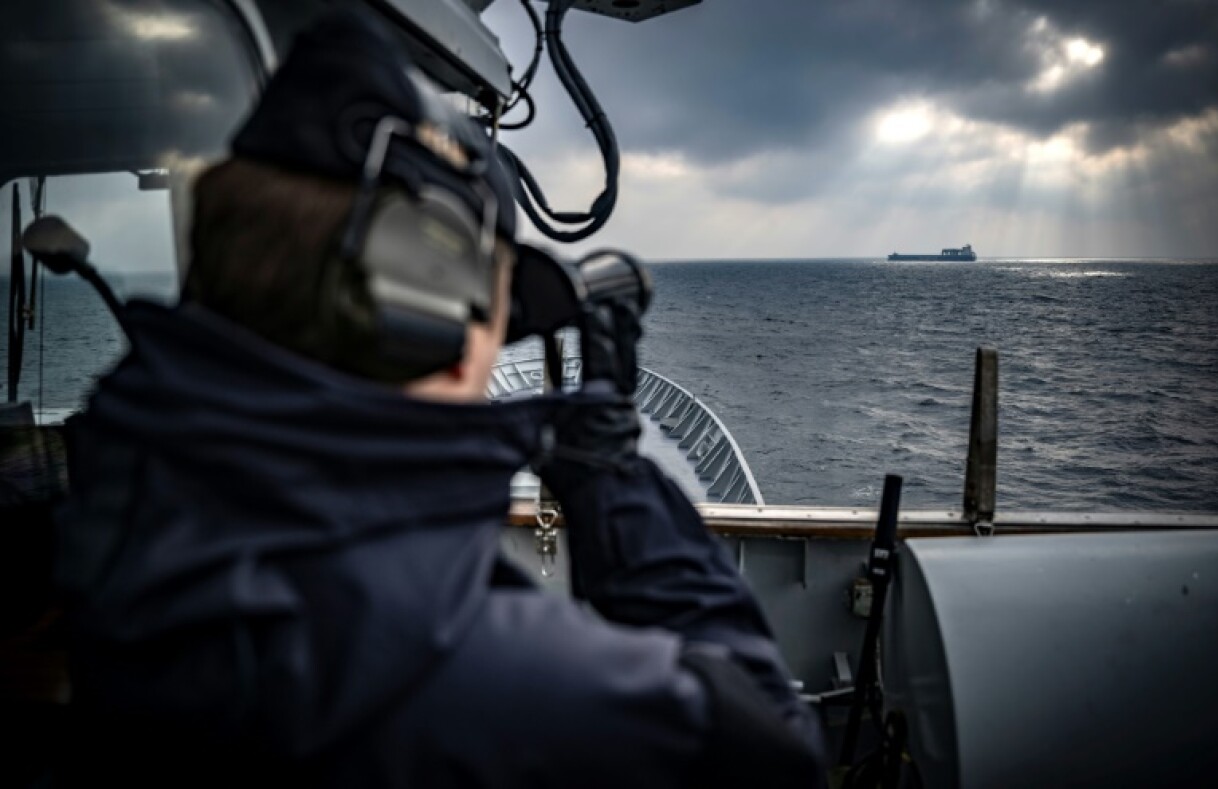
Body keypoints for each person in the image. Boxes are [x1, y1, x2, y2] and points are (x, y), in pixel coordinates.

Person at [53, 8, 825, 788]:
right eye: (497, 310)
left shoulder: (113, 522)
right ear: (427, 312)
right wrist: (609, 470)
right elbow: (771, 747)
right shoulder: (478, 679)